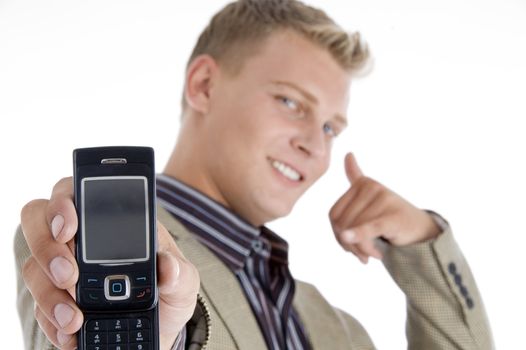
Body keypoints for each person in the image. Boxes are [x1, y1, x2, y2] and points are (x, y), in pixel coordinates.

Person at [14, 0, 494, 349]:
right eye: (290, 102)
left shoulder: (341, 331)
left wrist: (423, 246)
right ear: (204, 85)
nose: (315, 142)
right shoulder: (79, 238)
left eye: (331, 126)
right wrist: (167, 337)